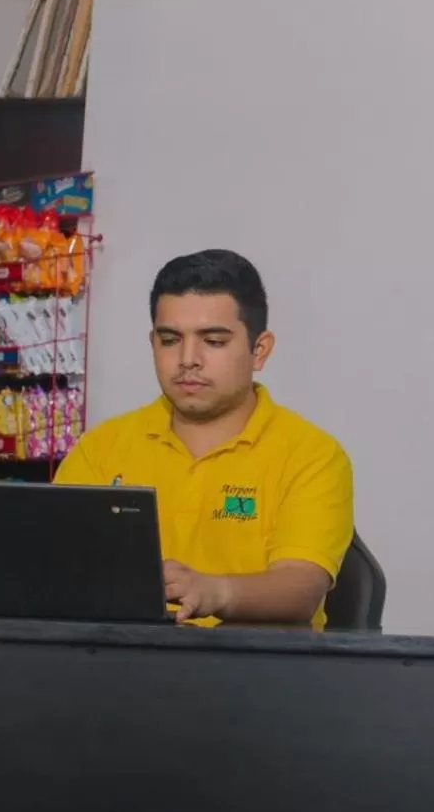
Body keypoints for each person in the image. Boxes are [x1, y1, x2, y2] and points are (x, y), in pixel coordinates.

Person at [54, 249, 354, 628]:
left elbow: (301, 588)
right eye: (170, 340)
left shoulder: (312, 455)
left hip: (257, 674)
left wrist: (215, 592)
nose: (188, 359)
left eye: (213, 341)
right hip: (123, 666)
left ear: (258, 350)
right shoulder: (102, 447)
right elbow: (56, 565)